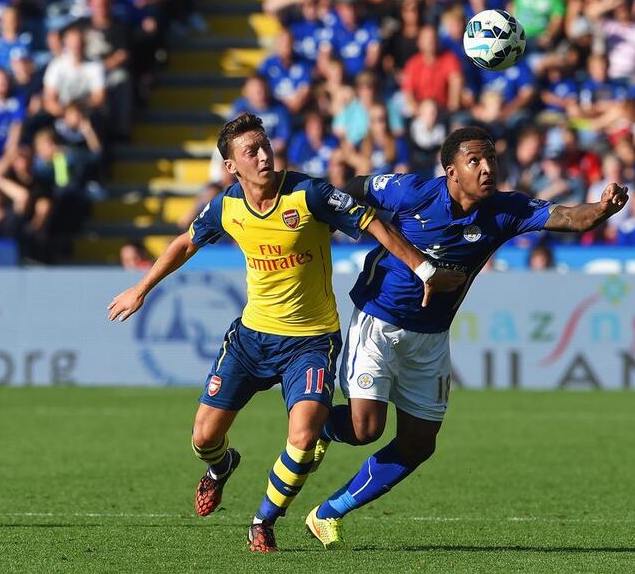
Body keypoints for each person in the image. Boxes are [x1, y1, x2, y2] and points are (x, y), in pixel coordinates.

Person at [106, 113, 464, 552]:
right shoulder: (227, 206)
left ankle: (264, 520)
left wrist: (423, 268)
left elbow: (372, 223)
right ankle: (221, 468)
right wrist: (140, 288)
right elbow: (185, 243)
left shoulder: (308, 193)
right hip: (251, 339)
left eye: (264, 145)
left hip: (311, 343)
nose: (262, 156)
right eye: (250, 151)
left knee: (304, 434)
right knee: (203, 437)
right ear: (231, 167)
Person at [304, 126, 629, 548]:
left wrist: (603, 208)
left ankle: (327, 512)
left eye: (491, 158)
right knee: (366, 429)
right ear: (451, 170)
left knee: (419, 445)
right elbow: (355, 188)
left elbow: (568, 216)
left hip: (432, 336)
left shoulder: (505, 210)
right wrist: (339, 223)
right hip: (378, 321)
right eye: (475, 160)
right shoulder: (412, 192)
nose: (486, 167)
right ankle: (319, 429)